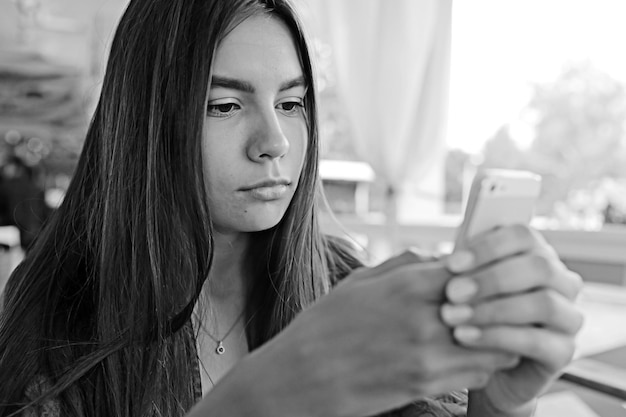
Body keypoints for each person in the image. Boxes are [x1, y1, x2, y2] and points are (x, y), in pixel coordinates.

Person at [0, 0, 583, 416]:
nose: (274, 141)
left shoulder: (345, 285)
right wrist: (270, 393)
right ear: (146, 127)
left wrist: (502, 407)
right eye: (225, 106)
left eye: (292, 102)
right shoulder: (59, 313)